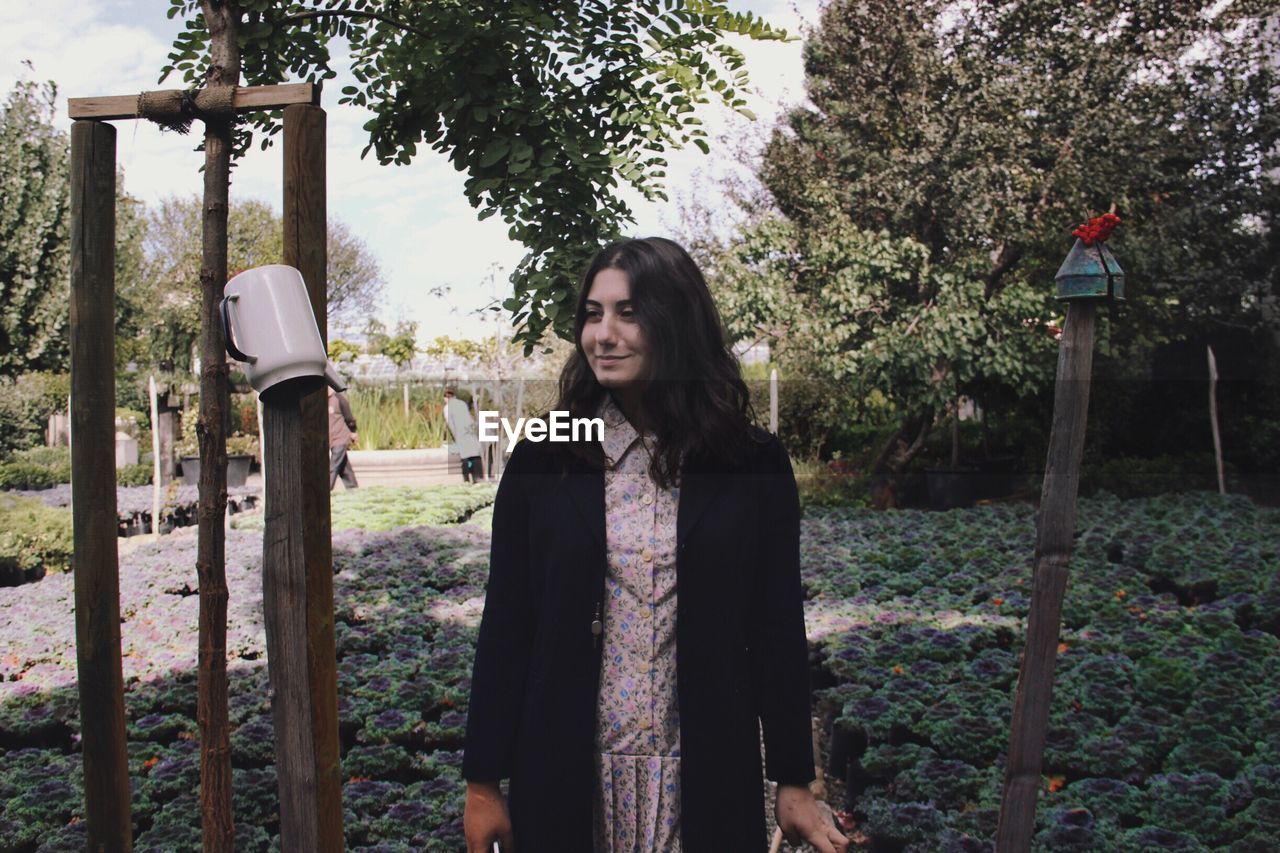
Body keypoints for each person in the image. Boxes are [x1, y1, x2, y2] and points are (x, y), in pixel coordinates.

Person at [462, 237, 848, 852]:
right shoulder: (545, 456)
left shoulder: (751, 462)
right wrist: (482, 783)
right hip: (568, 777)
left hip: (704, 779)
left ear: (677, 323)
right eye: (593, 313)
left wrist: (793, 780)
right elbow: (508, 620)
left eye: (629, 313)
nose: (604, 334)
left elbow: (776, 625)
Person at [444, 386, 484, 483]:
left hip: (460, 432)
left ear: (445, 397)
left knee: (465, 456)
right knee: (474, 454)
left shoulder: (447, 407)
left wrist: (455, 436)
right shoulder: (462, 403)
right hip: (470, 431)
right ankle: (478, 477)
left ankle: (466, 480)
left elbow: (450, 424)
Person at [328, 386, 359, 490]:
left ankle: (326, 489)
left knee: (333, 466)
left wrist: (353, 431)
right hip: (331, 439)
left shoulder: (338, 399)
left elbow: (349, 418)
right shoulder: (322, 401)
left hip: (340, 438)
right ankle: (352, 487)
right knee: (344, 467)